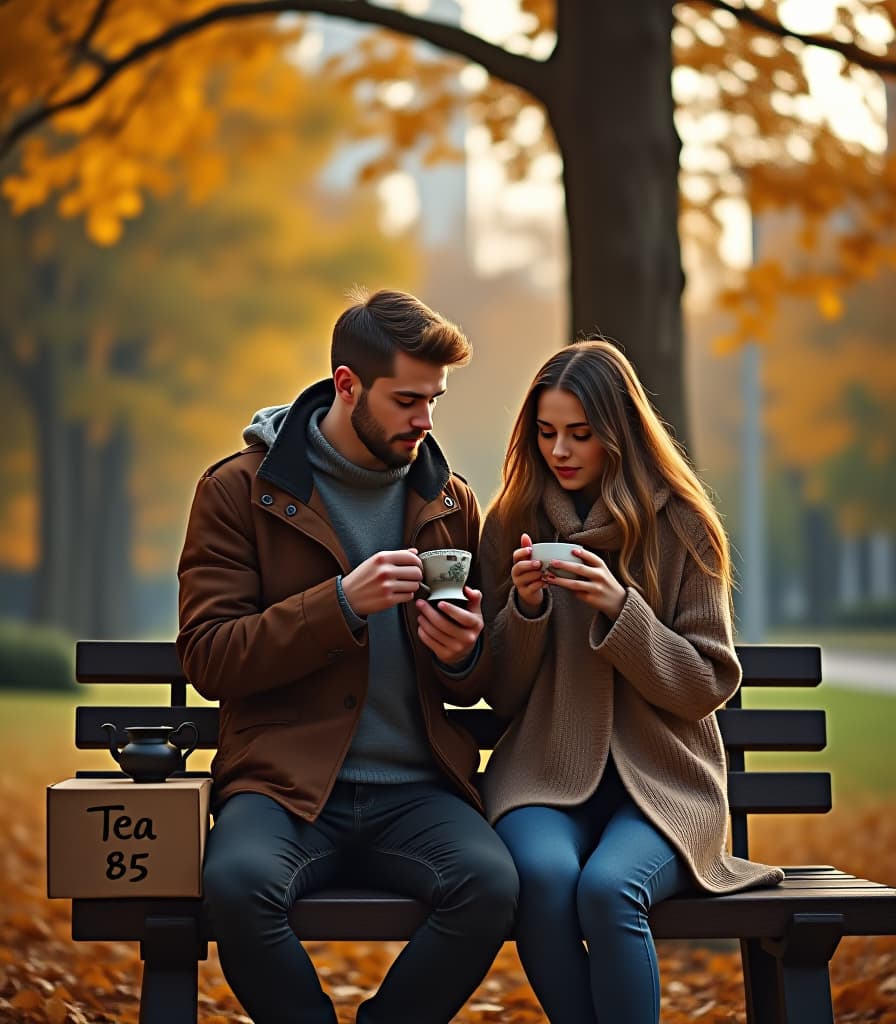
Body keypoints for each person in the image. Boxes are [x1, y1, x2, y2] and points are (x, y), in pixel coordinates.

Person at [176, 287, 518, 1024]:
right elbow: (208, 658)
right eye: (406, 401)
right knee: (236, 887)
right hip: (285, 787)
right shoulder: (241, 491)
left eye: (435, 401)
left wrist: (464, 655)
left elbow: (474, 681)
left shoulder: (450, 500)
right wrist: (338, 605)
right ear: (346, 385)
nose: (425, 422)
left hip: (418, 791)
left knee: (491, 884)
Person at [478, 339, 784, 1024]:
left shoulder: (681, 524)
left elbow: (704, 683)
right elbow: (498, 692)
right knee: (545, 879)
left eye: (580, 435)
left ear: (619, 433)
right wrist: (526, 609)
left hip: (665, 783)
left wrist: (621, 609)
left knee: (610, 889)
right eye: (547, 432)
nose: (560, 450)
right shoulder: (512, 523)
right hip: (542, 778)